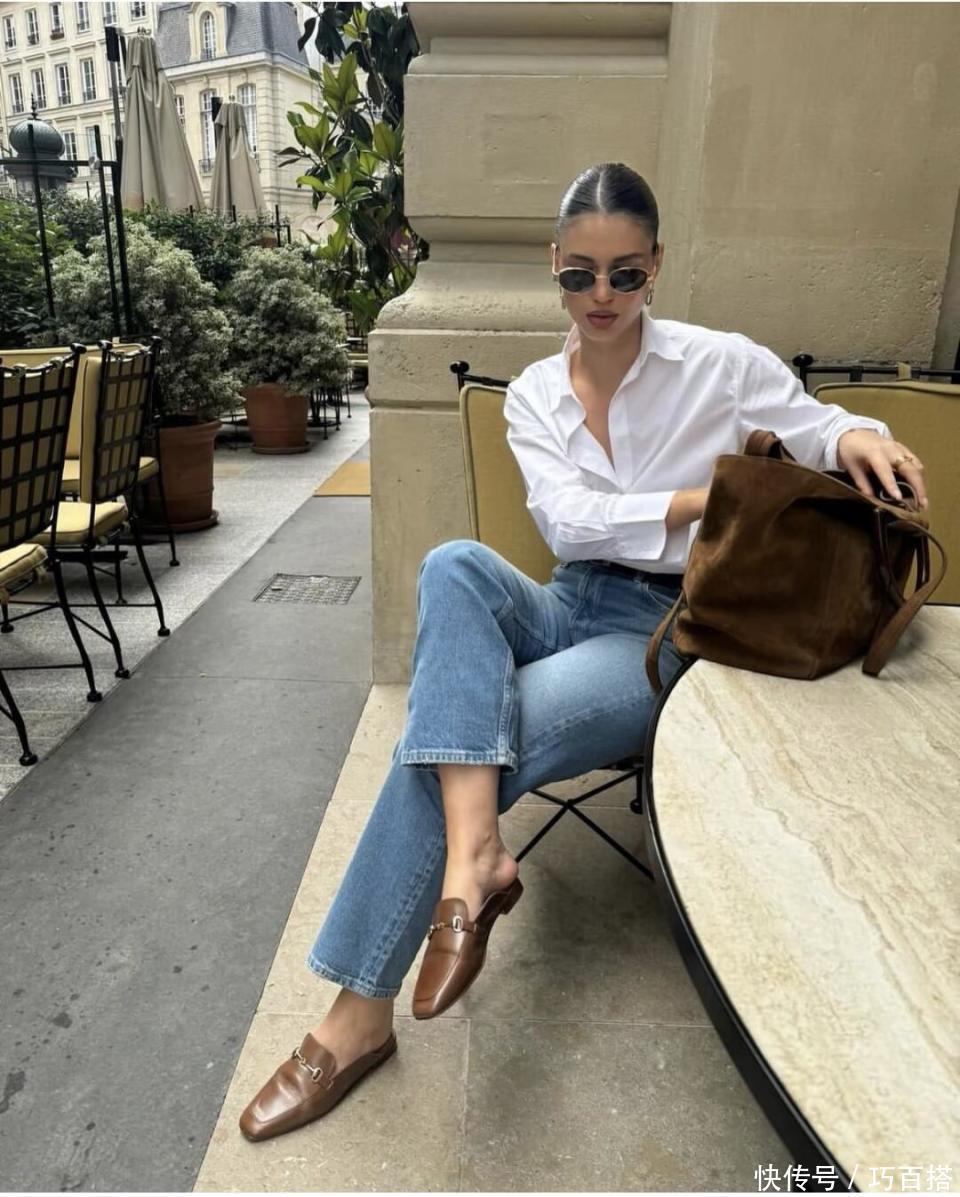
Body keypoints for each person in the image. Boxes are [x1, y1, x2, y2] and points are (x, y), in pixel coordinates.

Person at [238, 162, 927, 1141]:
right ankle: (476, 856)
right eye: (580, 275)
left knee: (464, 739)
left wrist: (860, 433)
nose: (602, 295)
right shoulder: (533, 394)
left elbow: (817, 426)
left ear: (656, 266)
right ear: (554, 264)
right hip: (568, 599)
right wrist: (711, 496)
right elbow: (569, 522)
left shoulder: (721, 365)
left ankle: (357, 1015)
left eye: (626, 274)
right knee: (454, 565)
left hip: (668, 627)